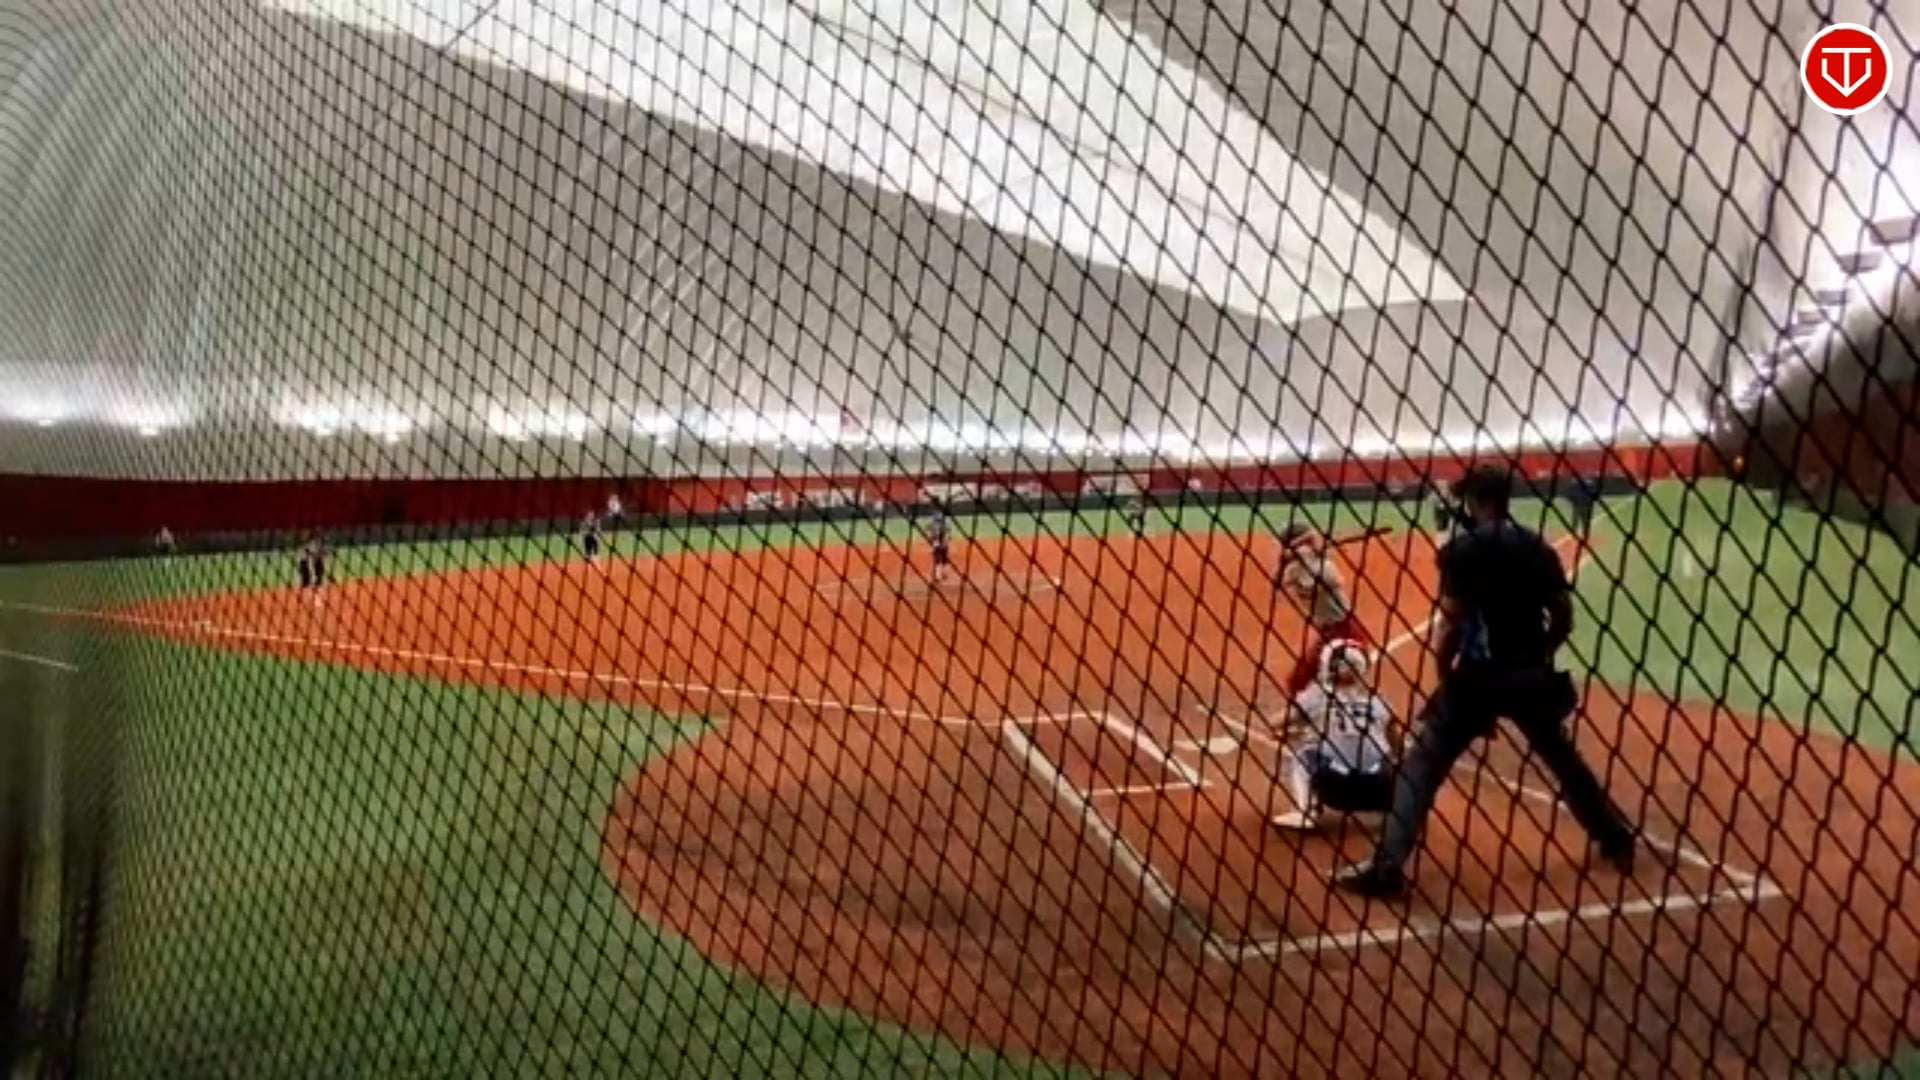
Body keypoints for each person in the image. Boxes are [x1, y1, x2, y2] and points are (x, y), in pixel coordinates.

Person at [1335, 465, 1635, 899]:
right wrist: (1539, 655)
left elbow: (1451, 626)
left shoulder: (1462, 551)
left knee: (1422, 766)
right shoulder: (1536, 545)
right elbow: (1563, 616)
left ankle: (1388, 866)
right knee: (1563, 760)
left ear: (1477, 501)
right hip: (1529, 674)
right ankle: (1614, 835)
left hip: (1476, 678)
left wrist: (1447, 680)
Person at [1270, 640, 1396, 831]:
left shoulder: (1318, 695)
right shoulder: (1378, 700)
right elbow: (1396, 742)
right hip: (1379, 788)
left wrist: (1297, 733)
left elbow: (1276, 722)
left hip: (1336, 788)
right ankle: (1401, 811)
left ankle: (1306, 811)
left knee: (1304, 754)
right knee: (1393, 760)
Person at [1274, 523, 1373, 699]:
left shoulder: (1323, 568)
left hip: (1346, 631)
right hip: (1327, 633)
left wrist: (1302, 551)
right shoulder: (1295, 568)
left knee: (1331, 679)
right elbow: (1277, 582)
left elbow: (1311, 580)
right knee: (1298, 681)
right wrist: (1287, 559)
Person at [296, 532, 328, 606]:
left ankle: (317, 599)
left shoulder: (318, 544)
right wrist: (312, 572)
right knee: (305, 582)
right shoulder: (309, 546)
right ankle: (305, 598)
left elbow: (323, 556)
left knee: (318, 581)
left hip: (315, 561)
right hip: (306, 562)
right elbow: (309, 559)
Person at [925, 507, 955, 585]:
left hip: (937, 545)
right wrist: (946, 541)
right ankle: (944, 574)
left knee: (937, 561)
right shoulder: (946, 524)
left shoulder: (931, 524)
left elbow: (928, 535)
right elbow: (949, 535)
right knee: (945, 560)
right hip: (944, 545)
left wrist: (931, 542)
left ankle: (938, 577)